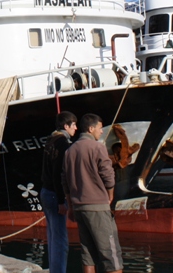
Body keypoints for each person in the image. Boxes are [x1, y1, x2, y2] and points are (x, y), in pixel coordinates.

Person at [62, 113, 123, 273]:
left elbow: (65, 181)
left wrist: (70, 205)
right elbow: (108, 174)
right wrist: (110, 194)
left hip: (79, 207)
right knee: (111, 254)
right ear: (91, 128)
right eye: (100, 128)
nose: (102, 131)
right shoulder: (98, 147)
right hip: (97, 206)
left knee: (87, 253)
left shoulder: (69, 151)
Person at [40, 111, 77, 273]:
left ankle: (54, 270)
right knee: (61, 240)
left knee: (52, 236)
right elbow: (58, 174)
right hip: (55, 196)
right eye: (73, 124)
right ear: (66, 126)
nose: (76, 128)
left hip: (45, 192)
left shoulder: (50, 140)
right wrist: (62, 201)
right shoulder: (63, 144)